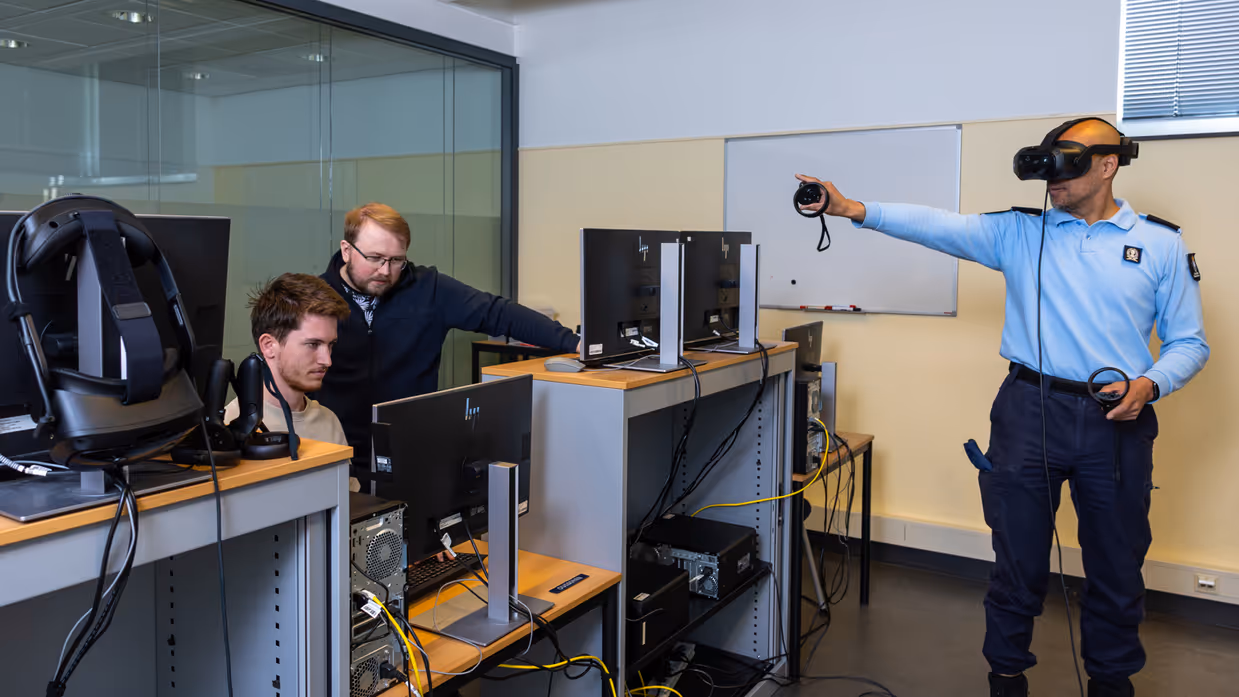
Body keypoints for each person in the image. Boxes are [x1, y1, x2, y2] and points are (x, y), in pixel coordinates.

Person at [796, 117, 1208, 697]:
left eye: (1066, 164)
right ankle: (1007, 677)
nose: (1052, 179)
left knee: (1117, 566)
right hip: (1028, 410)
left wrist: (1151, 384)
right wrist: (852, 209)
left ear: (1108, 165)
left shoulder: (1161, 244)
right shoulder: (1021, 233)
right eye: (1046, 166)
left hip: (1117, 420)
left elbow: (1190, 343)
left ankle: (1112, 683)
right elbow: (940, 226)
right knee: (1018, 561)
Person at [314, 202, 580, 476]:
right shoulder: (316, 299)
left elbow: (498, 312)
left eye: (396, 260)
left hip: (412, 453)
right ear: (346, 250)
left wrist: (574, 342)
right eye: (375, 258)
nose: (385, 270)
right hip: (337, 454)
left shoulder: (428, 289)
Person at [224, 273, 357, 491]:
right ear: (269, 346)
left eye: (330, 345)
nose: (327, 360)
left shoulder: (328, 422)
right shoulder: (233, 425)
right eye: (313, 344)